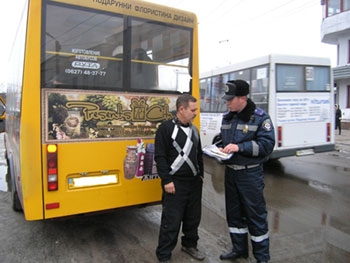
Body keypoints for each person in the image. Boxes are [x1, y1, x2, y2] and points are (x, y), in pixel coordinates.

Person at [217, 80, 275, 263]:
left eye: (230, 99)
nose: (227, 102)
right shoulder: (228, 117)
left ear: (242, 98)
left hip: (249, 174)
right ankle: (239, 249)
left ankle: (262, 257)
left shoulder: (260, 118)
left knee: (255, 215)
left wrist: (240, 148)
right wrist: (218, 148)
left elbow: (267, 146)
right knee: (234, 215)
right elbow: (223, 140)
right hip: (231, 173)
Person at [155, 94, 205, 263]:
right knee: (171, 221)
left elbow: (199, 154)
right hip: (174, 184)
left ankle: (190, 245)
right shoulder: (165, 129)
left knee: (193, 218)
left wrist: (201, 175)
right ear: (181, 109)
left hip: (193, 183)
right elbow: (160, 157)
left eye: (196, 110)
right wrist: (166, 180)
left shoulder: (194, 130)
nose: (195, 113)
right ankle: (164, 255)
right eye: (193, 110)